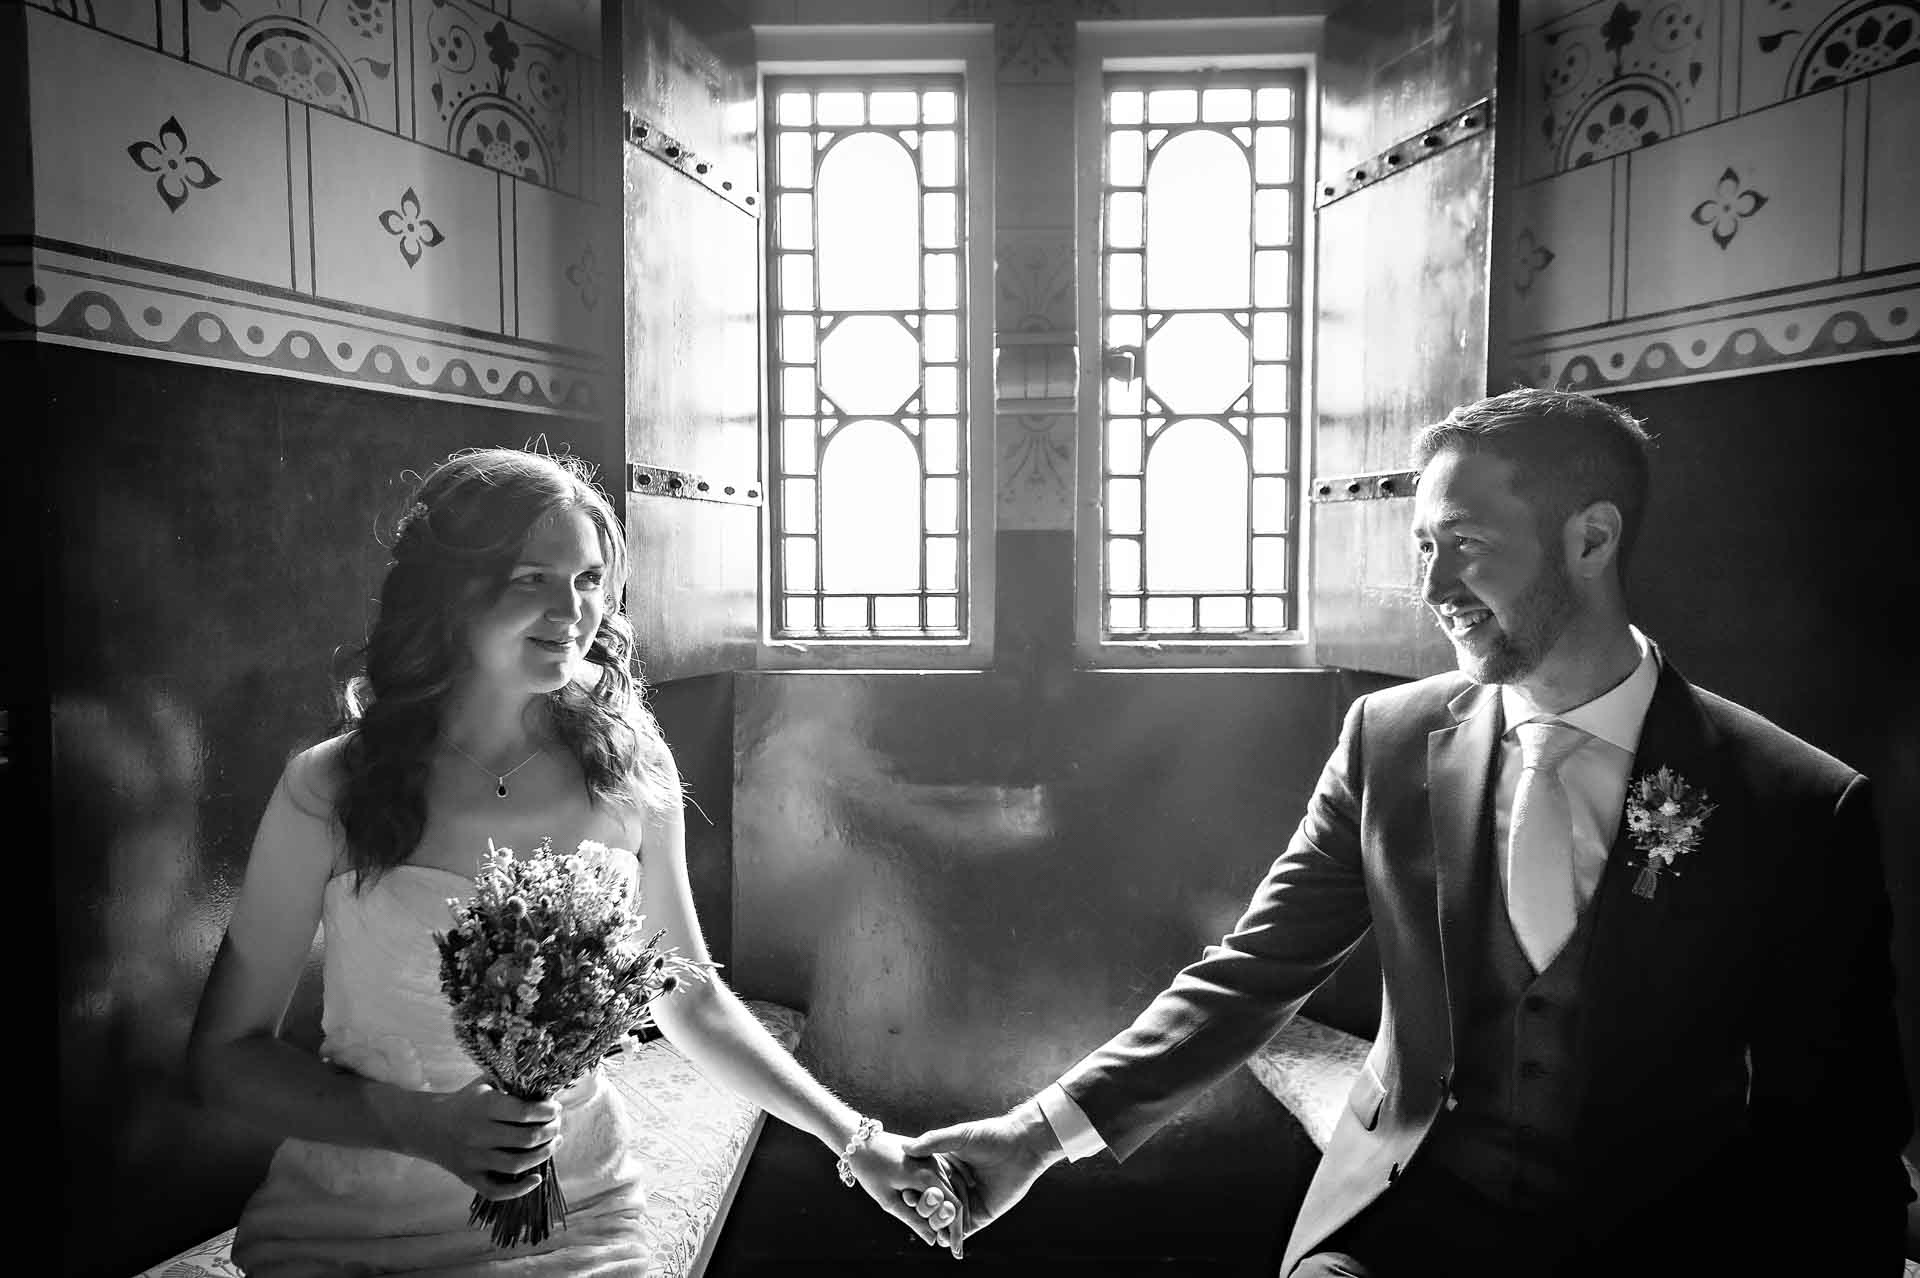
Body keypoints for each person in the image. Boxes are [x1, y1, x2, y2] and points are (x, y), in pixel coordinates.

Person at [901, 388, 1912, 1275]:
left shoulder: (1794, 802)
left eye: (1464, 547)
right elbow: (1253, 974)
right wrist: (1035, 1136)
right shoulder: (1388, 741)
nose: (1432, 593)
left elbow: (1839, 1139)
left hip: (1653, 1246)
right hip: (1398, 1226)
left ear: (1592, 539)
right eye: (1423, 548)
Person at [187, 448, 961, 1274]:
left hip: (576, 1218)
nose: (572, 610)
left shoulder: (627, 763)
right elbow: (223, 1057)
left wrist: (857, 1139)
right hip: (355, 1232)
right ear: (448, 594)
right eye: (530, 579)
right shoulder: (333, 786)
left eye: (590, 579)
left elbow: (688, 997)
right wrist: (415, 1124)